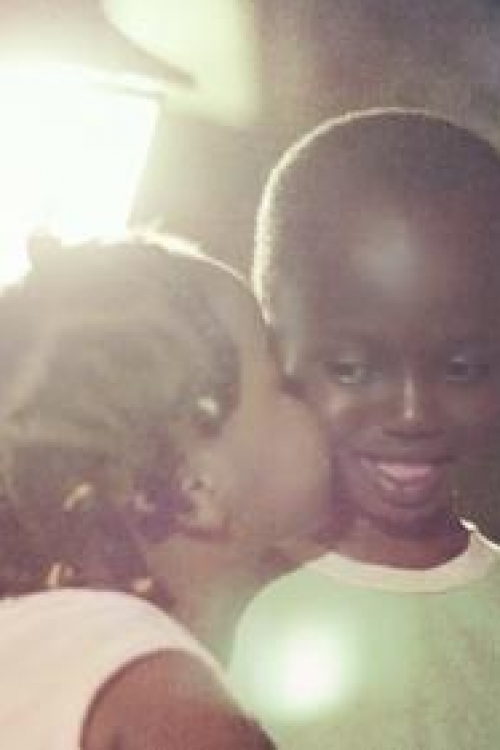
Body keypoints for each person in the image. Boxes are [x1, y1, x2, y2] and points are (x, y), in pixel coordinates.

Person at [230, 109, 500, 749]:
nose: (413, 413)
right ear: (272, 349)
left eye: (462, 367)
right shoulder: (227, 605)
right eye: (352, 368)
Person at [0, 233, 331, 749]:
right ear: (194, 488)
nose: (316, 389)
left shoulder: (54, 643)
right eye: (281, 383)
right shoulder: (160, 693)